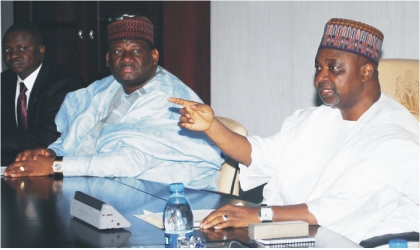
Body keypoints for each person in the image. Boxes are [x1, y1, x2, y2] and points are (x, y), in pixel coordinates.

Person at [168, 18, 419, 243]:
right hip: (289, 235)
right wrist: (211, 127)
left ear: (366, 72)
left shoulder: (393, 137)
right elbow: (262, 155)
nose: (320, 78)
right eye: (318, 67)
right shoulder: (314, 119)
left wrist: (258, 214)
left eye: (334, 68)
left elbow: (335, 209)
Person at [4, 16, 224, 191]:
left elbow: (130, 162)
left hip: (171, 196)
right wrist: (49, 153)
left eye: (137, 51)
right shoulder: (105, 88)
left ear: (154, 56)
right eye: (119, 52)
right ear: (108, 59)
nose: (127, 58)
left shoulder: (168, 97)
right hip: (111, 188)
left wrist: (56, 166)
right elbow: (77, 138)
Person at [1, 22, 85, 166]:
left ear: (41, 50)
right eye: (8, 50)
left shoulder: (63, 84)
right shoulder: (3, 81)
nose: (13, 55)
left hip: (52, 167)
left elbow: (49, 137)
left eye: (22, 48)